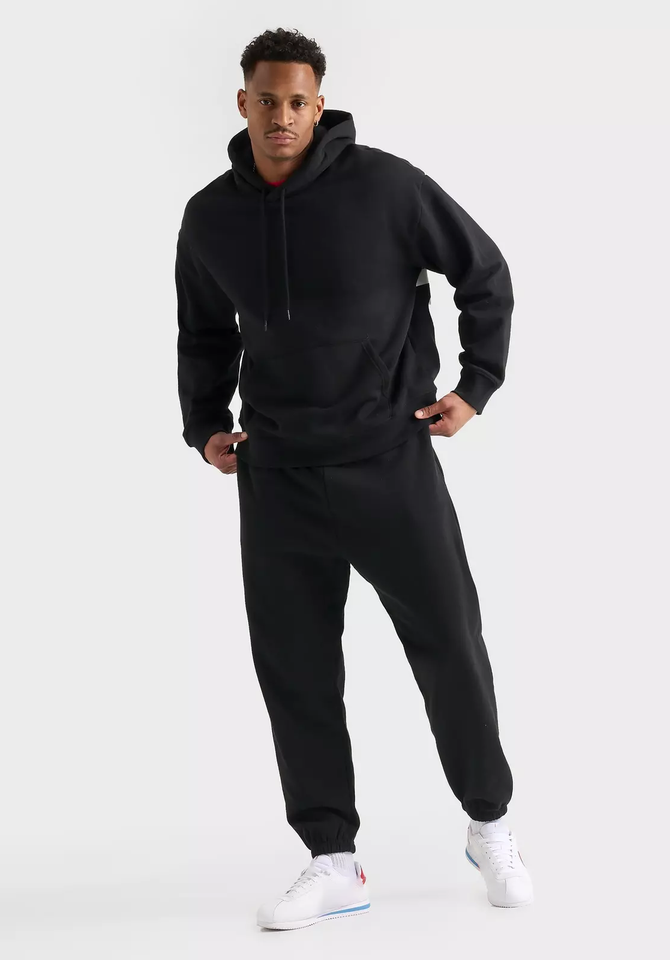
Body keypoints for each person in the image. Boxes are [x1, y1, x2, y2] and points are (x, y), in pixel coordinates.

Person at [175, 27, 534, 930]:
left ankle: (490, 825)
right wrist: (205, 424)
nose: (282, 115)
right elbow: (203, 331)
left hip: (389, 458)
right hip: (278, 475)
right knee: (295, 671)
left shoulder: (387, 188)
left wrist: (476, 386)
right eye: (267, 99)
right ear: (243, 102)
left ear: (319, 103)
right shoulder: (210, 215)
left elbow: (483, 272)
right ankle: (333, 858)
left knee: (450, 646)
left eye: (298, 101)